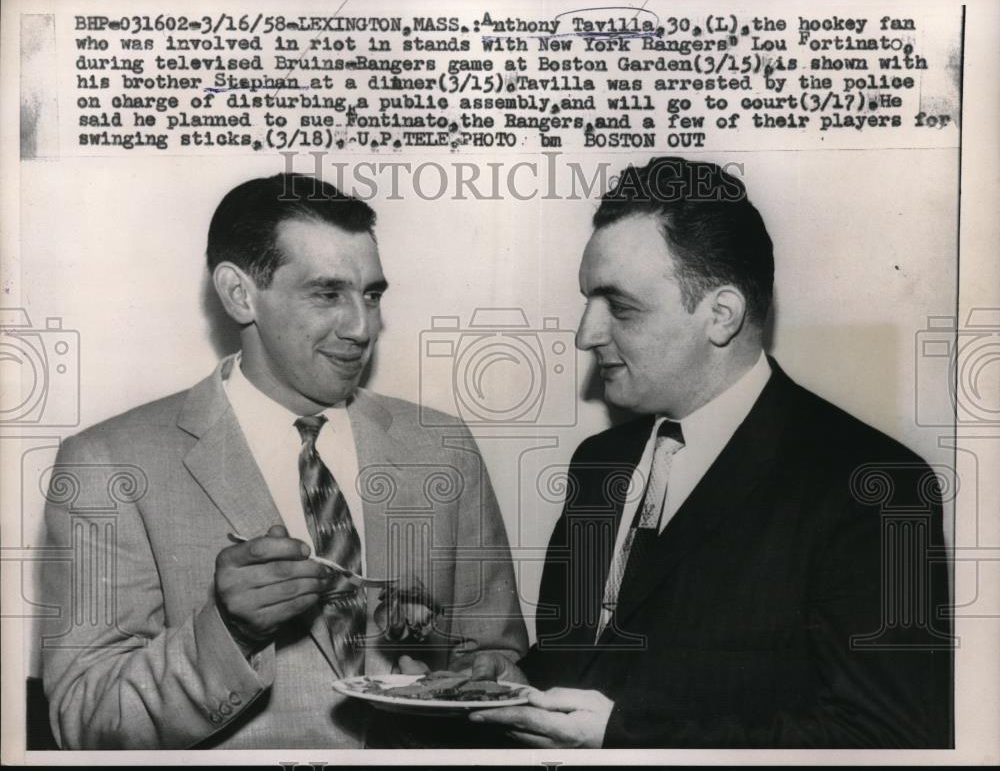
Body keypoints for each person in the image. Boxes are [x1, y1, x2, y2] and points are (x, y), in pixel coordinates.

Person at [473, 157, 952, 748]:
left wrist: (626, 739)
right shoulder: (599, 465)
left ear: (720, 316)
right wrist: (516, 681)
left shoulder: (874, 484)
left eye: (619, 306)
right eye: (588, 301)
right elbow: (589, 665)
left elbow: (891, 739)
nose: (585, 334)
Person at [39, 173, 527, 750]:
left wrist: (480, 681)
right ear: (239, 294)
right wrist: (229, 632)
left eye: (371, 295)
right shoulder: (108, 465)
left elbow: (494, 654)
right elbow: (86, 720)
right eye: (327, 294)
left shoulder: (444, 446)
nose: (362, 327)